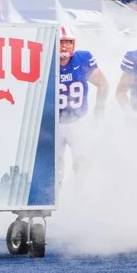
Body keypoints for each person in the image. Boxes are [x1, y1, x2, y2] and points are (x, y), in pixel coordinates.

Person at [56, 26, 108, 189]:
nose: (64, 47)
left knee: (83, 161)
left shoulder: (82, 59)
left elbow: (103, 84)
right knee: (54, 167)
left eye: (68, 42)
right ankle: (53, 199)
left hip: (77, 120)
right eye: (60, 42)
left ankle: (77, 193)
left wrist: (99, 110)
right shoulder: (45, 61)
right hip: (52, 123)